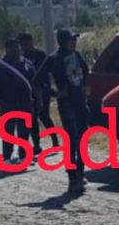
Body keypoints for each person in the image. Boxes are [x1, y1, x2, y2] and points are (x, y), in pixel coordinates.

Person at [35, 29, 90, 194]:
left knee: (82, 138)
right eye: (70, 40)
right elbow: (38, 80)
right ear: (62, 42)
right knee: (71, 141)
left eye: (75, 39)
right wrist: (55, 93)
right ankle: (72, 178)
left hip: (80, 101)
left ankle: (80, 173)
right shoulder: (53, 59)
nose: (74, 42)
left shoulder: (77, 55)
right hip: (67, 104)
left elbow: (86, 71)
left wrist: (85, 86)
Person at [0, 38, 38, 164]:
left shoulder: (27, 63)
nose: (16, 50)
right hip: (7, 101)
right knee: (8, 131)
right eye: (12, 48)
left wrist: (37, 98)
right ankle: (7, 157)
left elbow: (35, 82)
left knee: (24, 130)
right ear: (7, 50)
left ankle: (23, 156)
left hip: (25, 102)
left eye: (18, 48)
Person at [18, 32, 59, 151]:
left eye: (25, 43)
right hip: (30, 90)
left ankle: (54, 138)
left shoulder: (40, 54)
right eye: (22, 44)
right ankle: (36, 144)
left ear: (30, 42)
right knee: (32, 119)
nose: (23, 46)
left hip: (43, 89)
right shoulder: (22, 58)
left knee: (44, 115)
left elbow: (45, 71)